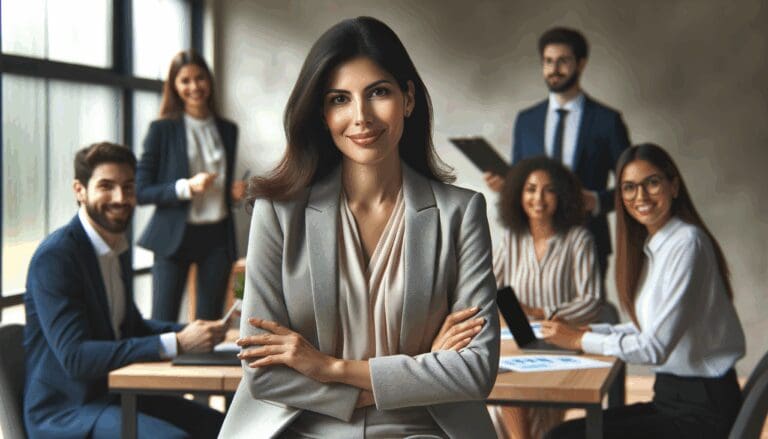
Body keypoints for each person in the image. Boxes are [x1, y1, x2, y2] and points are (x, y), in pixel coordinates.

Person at [218, 16, 500, 438]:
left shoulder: (461, 213)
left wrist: (330, 368)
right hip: (299, 428)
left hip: (423, 429)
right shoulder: (277, 212)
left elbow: (474, 370)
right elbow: (264, 374)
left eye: (379, 92)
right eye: (339, 99)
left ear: (408, 99)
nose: (361, 116)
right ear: (322, 112)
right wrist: (416, 372)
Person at [540, 143, 745, 439]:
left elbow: (653, 347)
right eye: (629, 187)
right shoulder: (658, 246)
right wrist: (591, 331)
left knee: (563, 437)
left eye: (652, 183)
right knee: (563, 433)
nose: (641, 196)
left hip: (702, 412)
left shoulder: (687, 243)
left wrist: (579, 340)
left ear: (674, 186)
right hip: (674, 399)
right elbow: (651, 328)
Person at [23, 142, 227, 438]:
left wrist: (196, 332)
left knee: (224, 426)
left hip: (115, 394)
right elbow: (76, 357)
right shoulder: (56, 257)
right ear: (80, 190)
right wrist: (178, 342)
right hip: (68, 411)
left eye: (128, 187)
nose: (120, 198)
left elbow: (130, 328)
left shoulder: (115, 246)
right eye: (106, 186)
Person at [485, 27, 630, 284]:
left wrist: (597, 201)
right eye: (548, 61)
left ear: (581, 64)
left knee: (582, 309)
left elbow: (631, 184)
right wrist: (507, 187)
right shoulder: (526, 121)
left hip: (588, 240)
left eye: (563, 61)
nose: (554, 69)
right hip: (533, 241)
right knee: (521, 307)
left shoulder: (607, 121)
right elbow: (521, 181)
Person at [489, 157, 602, 439]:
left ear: (561, 196)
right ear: (518, 195)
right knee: (500, 394)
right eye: (530, 189)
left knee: (539, 417)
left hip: (558, 340)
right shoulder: (512, 239)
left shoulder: (578, 240)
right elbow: (486, 287)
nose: (538, 198)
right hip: (516, 340)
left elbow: (591, 301)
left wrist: (540, 312)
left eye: (548, 190)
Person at [136, 49, 245, 321]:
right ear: (174, 86)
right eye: (185, 80)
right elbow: (140, 190)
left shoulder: (228, 130)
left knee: (209, 323)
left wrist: (232, 194)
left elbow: (221, 185)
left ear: (209, 80)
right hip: (175, 235)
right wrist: (187, 187)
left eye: (200, 78)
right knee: (163, 320)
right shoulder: (162, 130)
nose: (194, 86)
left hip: (217, 237)